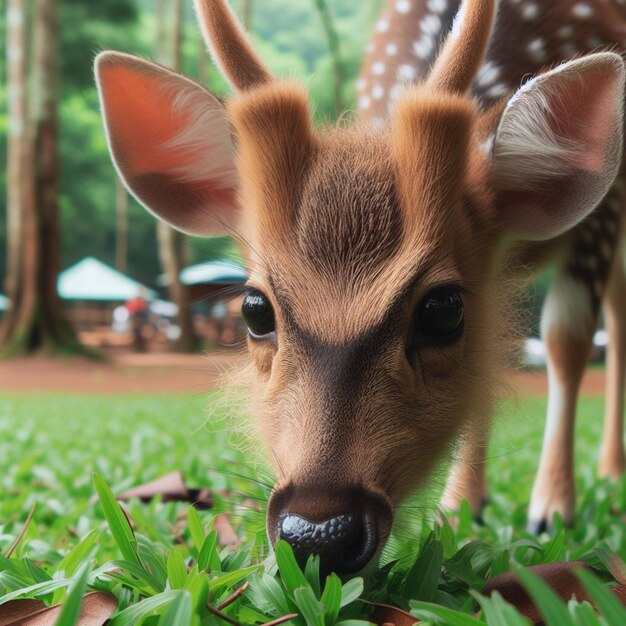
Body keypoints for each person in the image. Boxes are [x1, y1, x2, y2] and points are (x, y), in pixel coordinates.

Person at [125, 288, 149, 352]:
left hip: (139, 319)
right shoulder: (135, 301)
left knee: (139, 334)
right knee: (136, 334)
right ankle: (137, 348)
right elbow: (131, 310)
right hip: (136, 319)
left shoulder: (142, 301)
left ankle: (140, 348)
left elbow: (144, 311)